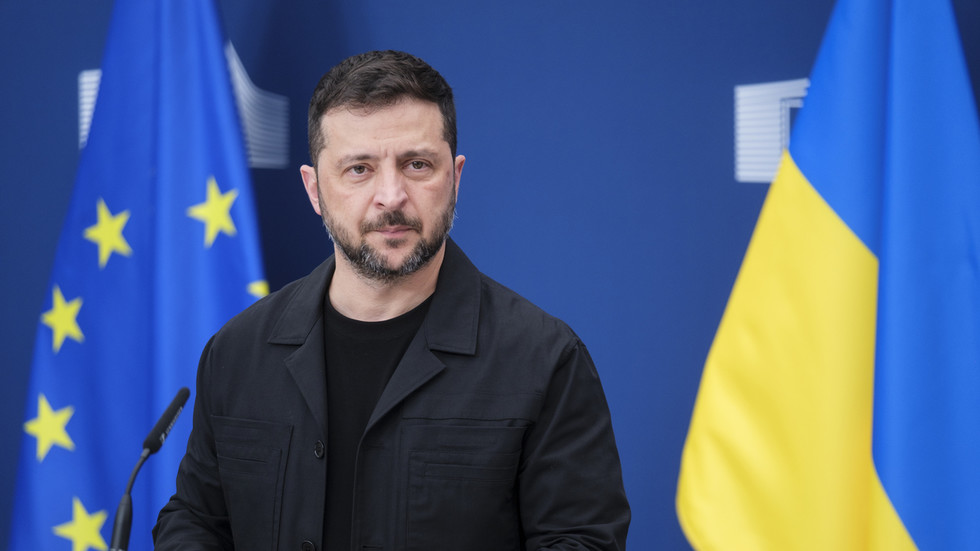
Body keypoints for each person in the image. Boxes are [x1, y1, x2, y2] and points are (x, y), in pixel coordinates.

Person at [154, 49, 630, 550]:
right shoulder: (237, 352)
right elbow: (196, 520)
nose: (391, 195)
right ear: (314, 190)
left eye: (417, 164)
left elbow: (581, 541)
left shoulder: (544, 360)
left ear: (456, 179)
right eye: (359, 169)